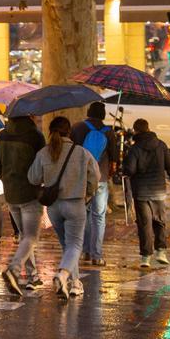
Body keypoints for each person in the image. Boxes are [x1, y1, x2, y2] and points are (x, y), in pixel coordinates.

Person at [28, 116, 99, 299]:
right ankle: (63, 275)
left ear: (50, 132)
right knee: (74, 245)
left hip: (54, 206)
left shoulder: (44, 153)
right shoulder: (82, 153)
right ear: (69, 132)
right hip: (75, 203)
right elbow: (95, 177)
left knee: (68, 246)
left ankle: (75, 283)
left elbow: (33, 178)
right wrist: (88, 194)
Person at [0, 116, 46, 296]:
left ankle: (33, 276)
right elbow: (42, 165)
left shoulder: (3, 135)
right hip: (30, 192)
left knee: (26, 236)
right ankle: (14, 269)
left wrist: (8, 181)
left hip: (11, 194)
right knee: (31, 236)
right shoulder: (36, 136)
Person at [123, 118, 170, 268]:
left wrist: (125, 166)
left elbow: (130, 170)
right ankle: (161, 251)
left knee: (144, 224)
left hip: (141, 192)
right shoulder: (161, 145)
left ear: (136, 130)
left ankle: (146, 257)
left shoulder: (135, 148)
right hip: (158, 190)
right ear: (148, 128)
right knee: (159, 221)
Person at [70, 102, 119, 266]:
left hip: (80, 178)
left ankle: (84, 252)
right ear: (103, 114)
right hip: (101, 179)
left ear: (89, 112)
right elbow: (114, 162)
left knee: (82, 215)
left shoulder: (77, 128)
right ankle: (96, 255)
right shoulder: (109, 132)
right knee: (98, 217)